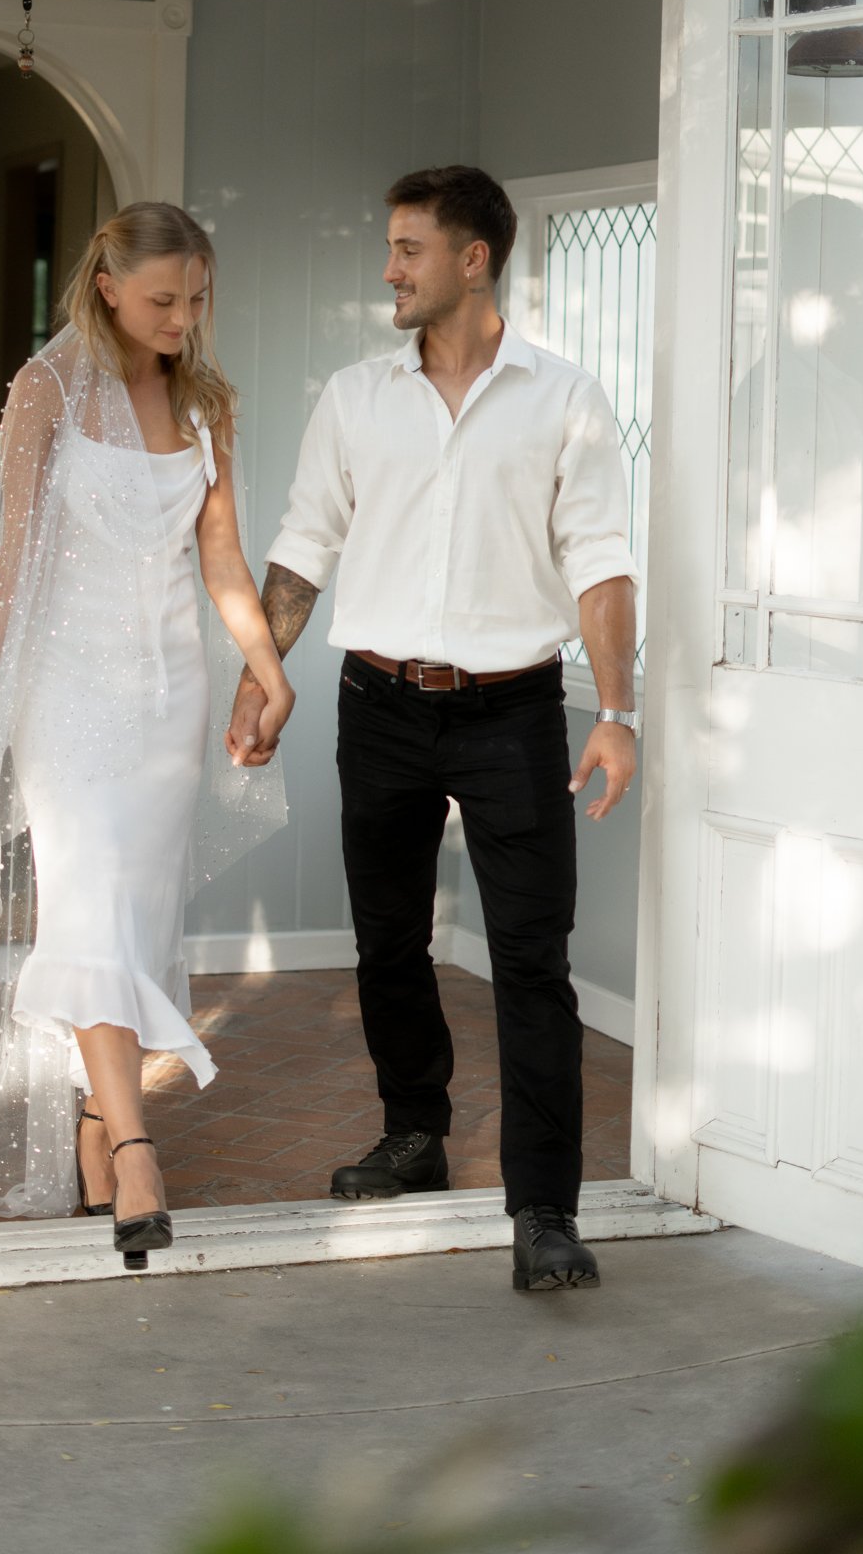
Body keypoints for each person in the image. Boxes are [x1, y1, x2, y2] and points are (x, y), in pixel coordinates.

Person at [229, 165, 638, 1292]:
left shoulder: (564, 398)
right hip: (381, 706)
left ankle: (544, 1206)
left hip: (514, 712)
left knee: (531, 959)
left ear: (474, 258)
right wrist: (262, 672)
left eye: (408, 247)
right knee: (389, 940)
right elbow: (305, 541)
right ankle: (414, 1132)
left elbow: (601, 563)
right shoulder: (356, 396)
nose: (389, 268)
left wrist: (616, 711)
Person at [0, 202, 292, 1265]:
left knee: (134, 917)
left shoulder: (207, 401)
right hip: (67, 699)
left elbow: (223, 562)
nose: (183, 317)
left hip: (169, 703)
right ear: (107, 284)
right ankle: (139, 1146)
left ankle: (88, 1126)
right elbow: (5, 564)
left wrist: (267, 669)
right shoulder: (46, 391)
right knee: (94, 908)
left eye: (198, 299)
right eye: (165, 298)